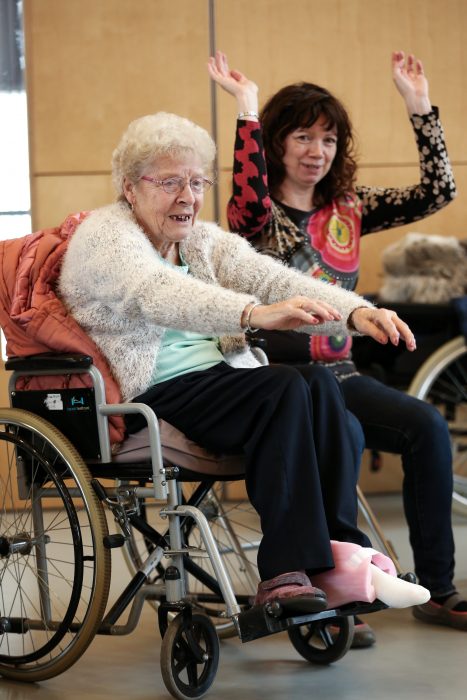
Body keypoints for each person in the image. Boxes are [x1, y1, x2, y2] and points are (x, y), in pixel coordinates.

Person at [58, 110, 429, 615]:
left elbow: (272, 278)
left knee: (321, 385)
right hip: (155, 391)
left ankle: (342, 555)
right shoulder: (105, 237)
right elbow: (157, 293)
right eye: (169, 181)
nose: (187, 196)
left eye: (195, 181)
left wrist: (356, 313)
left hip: (220, 385)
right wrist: (251, 313)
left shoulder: (201, 240)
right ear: (130, 187)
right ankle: (283, 572)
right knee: (283, 387)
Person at [208, 49, 465, 642]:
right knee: (343, 435)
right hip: (281, 382)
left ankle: (437, 588)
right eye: (301, 136)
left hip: (343, 374)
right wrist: (247, 111)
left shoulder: (347, 207)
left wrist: (419, 107)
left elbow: (437, 191)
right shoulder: (257, 215)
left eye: (328, 139)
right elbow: (244, 195)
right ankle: (338, 586)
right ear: (276, 143)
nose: (315, 151)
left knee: (425, 426)